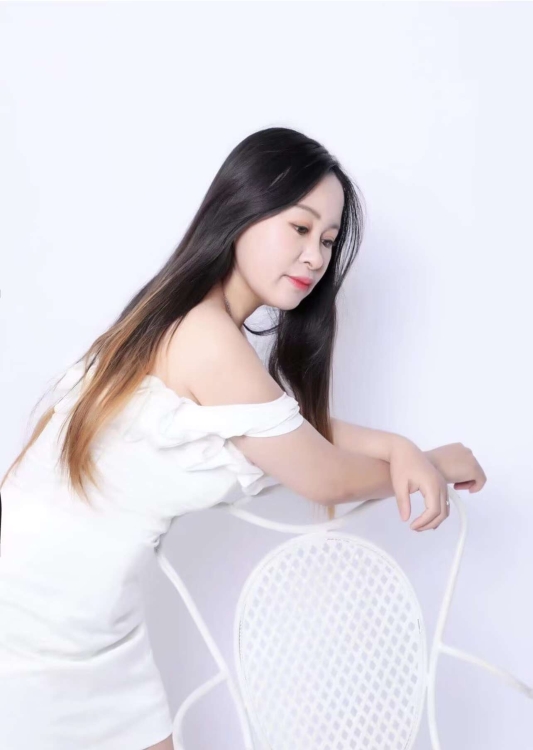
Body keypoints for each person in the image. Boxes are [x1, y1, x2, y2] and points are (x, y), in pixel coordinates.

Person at [0, 126, 486, 750]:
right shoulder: (205, 336)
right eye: (300, 227)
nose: (315, 257)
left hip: (88, 618)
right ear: (242, 211)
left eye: (328, 240)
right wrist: (434, 464)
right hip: (43, 623)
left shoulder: (180, 320)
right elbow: (321, 475)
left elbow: (280, 429)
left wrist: (395, 446)